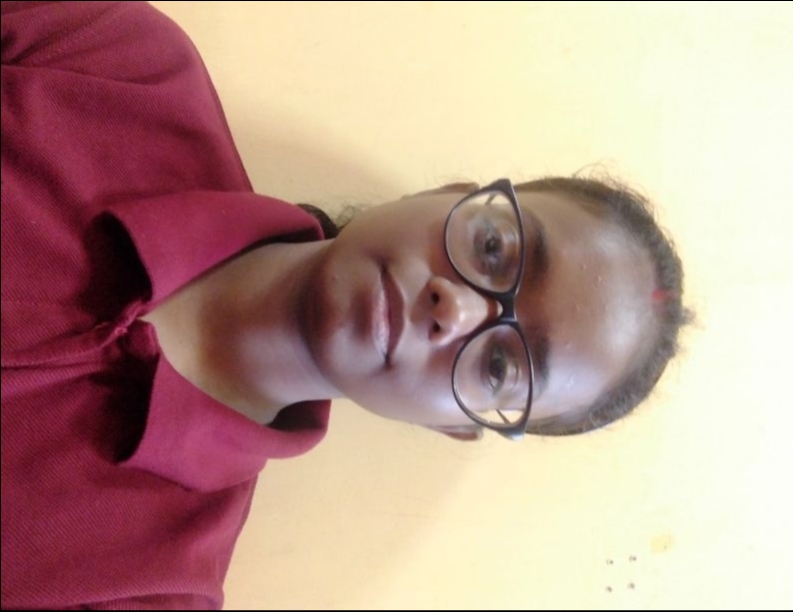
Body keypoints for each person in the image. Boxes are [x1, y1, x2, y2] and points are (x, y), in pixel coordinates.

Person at [0, 1, 689, 609]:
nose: (454, 310)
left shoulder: (147, 589)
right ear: (448, 193)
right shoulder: (123, 65)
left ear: (453, 426)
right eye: (492, 248)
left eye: (502, 366)